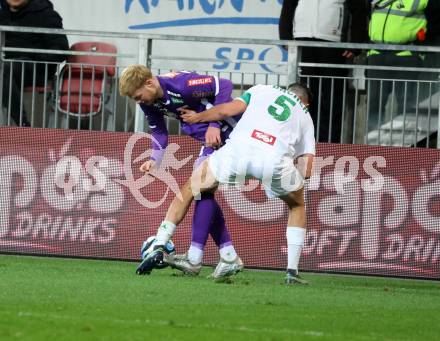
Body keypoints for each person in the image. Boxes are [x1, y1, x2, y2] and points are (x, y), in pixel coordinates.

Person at [137, 83, 315, 285]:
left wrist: (198, 117)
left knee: (190, 189)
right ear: (306, 103)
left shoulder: (261, 89)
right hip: (274, 160)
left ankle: (160, 243)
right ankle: (292, 272)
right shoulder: (305, 116)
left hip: (238, 151)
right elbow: (306, 169)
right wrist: (290, 172)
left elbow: (225, 110)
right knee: (297, 205)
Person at [119, 65, 243, 278]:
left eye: (138, 96)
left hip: (234, 133)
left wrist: (214, 123)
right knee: (202, 191)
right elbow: (159, 131)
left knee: (198, 188)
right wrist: (154, 160)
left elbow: (224, 85)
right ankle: (224, 255)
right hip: (211, 142)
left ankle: (201, 257)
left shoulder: (182, 85)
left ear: (149, 83)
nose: (138, 101)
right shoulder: (149, 101)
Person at [279, 0, 369, 143]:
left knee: (332, 96)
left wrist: (355, 43)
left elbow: (359, 10)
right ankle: (302, 141)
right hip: (302, 40)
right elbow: (288, 6)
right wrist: (285, 37)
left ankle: (329, 143)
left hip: (334, 41)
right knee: (303, 96)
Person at [366, 0, 434, 132]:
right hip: (377, 54)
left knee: (405, 103)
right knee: (375, 102)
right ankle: (372, 141)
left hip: (406, 55)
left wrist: (420, 44)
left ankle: (401, 144)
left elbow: (435, 21)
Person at [0, 0, 69, 127]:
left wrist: (35, 57)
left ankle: (23, 124)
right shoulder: (2, 12)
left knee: (5, 69)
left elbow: (61, 48)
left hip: (36, 69)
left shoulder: (46, 14)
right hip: (6, 67)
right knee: (3, 68)